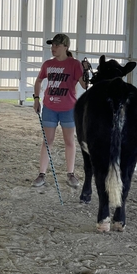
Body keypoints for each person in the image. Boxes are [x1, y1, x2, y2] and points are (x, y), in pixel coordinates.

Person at [32, 33, 88, 189]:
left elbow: (84, 85)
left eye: (57, 45)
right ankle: (42, 174)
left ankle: (70, 174)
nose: (53, 48)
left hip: (68, 109)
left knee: (69, 141)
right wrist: (36, 99)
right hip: (49, 107)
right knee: (47, 141)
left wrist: (85, 72)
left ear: (65, 46)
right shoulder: (47, 64)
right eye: (52, 45)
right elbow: (38, 80)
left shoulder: (75, 64)